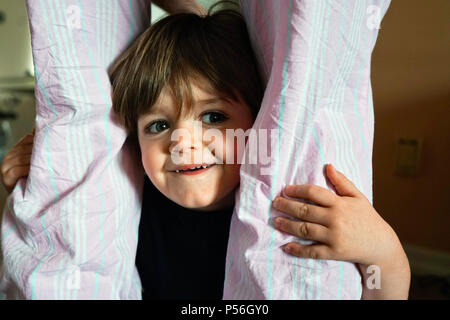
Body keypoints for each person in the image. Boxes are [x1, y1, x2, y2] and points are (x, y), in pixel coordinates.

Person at [1, 2, 410, 299]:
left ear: (261, 122)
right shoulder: (124, 209)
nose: (182, 142)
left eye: (213, 117)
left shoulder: (281, 217)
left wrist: (383, 250)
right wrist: (42, 174)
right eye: (158, 125)